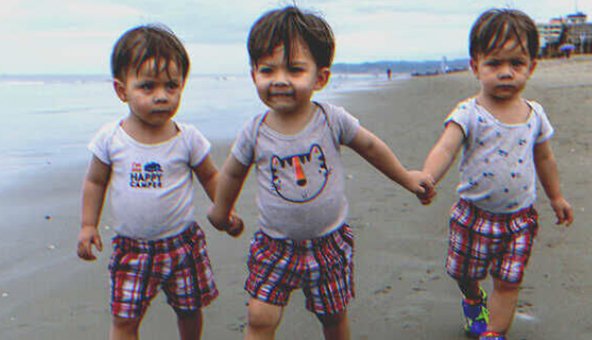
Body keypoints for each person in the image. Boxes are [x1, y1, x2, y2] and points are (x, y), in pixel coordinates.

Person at [207, 6, 434, 340]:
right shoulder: (254, 132)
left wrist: (406, 177)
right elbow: (231, 174)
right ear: (254, 73)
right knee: (260, 317)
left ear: (320, 77)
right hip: (274, 246)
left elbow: (370, 146)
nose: (280, 80)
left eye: (295, 70)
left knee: (333, 317)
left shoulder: (331, 119)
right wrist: (221, 211)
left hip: (329, 243)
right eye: (267, 70)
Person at [76, 24, 242, 340]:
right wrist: (88, 225)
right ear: (122, 89)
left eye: (172, 86)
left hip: (182, 244)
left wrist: (225, 211)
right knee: (125, 319)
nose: (162, 96)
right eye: (148, 87)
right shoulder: (111, 139)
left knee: (190, 309)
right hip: (131, 249)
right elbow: (95, 182)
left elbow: (210, 175)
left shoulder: (188, 138)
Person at [421, 9, 574, 340]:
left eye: (516, 64)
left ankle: (494, 332)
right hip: (472, 216)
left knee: (509, 282)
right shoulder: (469, 113)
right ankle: (474, 298)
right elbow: (445, 147)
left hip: (519, 219)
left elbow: (545, 158)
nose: (506, 73)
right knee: (463, 273)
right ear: (475, 66)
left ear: (531, 66)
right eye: (494, 64)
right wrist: (428, 177)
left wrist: (557, 197)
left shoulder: (535, 116)